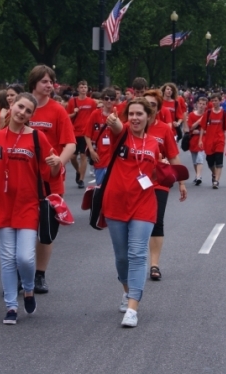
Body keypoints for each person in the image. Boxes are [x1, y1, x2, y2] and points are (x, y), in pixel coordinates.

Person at [0, 93, 61, 324]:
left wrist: (56, 165)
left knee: (24, 257)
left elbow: (51, 174)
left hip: (28, 204)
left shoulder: (38, 138)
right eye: (20, 107)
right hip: (2, 205)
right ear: (12, 106)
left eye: (28, 111)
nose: (22, 113)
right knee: (7, 258)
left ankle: (28, 287)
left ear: (32, 116)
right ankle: (11, 306)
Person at [103, 97, 160, 328]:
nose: (135, 118)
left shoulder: (155, 143)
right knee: (122, 256)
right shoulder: (122, 132)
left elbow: (155, 173)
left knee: (137, 254)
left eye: (140, 114)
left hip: (144, 204)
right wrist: (114, 120)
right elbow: (115, 126)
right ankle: (127, 291)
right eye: (132, 114)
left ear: (148, 117)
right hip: (115, 202)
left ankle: (133, 308)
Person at [28, 65, 76, 294]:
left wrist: (60, 161)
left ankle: (39, 274)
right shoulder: (23, 108)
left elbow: (70, 143)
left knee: (45, 231)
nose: (49, 85)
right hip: (24, 178)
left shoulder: (57, 111)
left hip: (50, 180)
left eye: (51, 82)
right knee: (23, 228)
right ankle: (20, 272)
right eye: (44, 81)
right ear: (34, 83)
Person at [143, 90, 187, 281]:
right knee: (136, 222)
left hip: (159, 182)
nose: (149, 108)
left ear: (159, 108)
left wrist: (181, 182)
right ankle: (134, 260)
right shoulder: (132, 126)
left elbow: (173, 156)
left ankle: (154, 264)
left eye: (153, 104)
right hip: (135, 182)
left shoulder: (164, 130)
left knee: (156, 221)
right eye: (146, 104)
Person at [198, 93, 226, 189]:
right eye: (212, 101)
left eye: (216, 100)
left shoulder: (224, 114)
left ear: (220, 101)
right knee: (210, 162)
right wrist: (200, 140)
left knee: (219, 162)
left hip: (220, 140)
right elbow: (202, 127)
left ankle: (216, 181)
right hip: (209, 141)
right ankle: (214, 174)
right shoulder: (208, 113)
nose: (214, 102)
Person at [84, 87, 117, 185]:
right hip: (99, 156)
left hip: (113, 156)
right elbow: (87, 134)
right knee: (100, 187)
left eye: (112, 98)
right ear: (102, 99)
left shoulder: (117, 114)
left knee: (112, 188)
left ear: (115, 100)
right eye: (106, 98)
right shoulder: (95, 114)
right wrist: (91, 150)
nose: (109, 101)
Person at [67, 80, 96, 189]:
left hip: (86, 133)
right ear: (78, 89)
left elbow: (94, 117)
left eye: (85, 87)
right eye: (81, 87)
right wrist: (74, 113)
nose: (83, 89)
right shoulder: (72, 102)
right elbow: (66, 117)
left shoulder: (91, 102)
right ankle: (78, 171)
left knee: (83, 156)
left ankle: (81, 179)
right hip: (74, 132)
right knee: (73, 157)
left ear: (87, 89)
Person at [187, 96, 208, 185]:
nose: (201, 106)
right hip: (193, 140)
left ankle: (199, 176)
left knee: (200, 158)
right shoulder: (192, 115)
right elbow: (190, 127)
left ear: (206, 106)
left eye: (203, 104)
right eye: (200, 104)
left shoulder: (207, 115)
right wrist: (199, 121)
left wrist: (200, 131)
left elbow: (209, 129)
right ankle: (197, 175)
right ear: (197, 104)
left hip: (203, 139)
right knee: (195, 160)